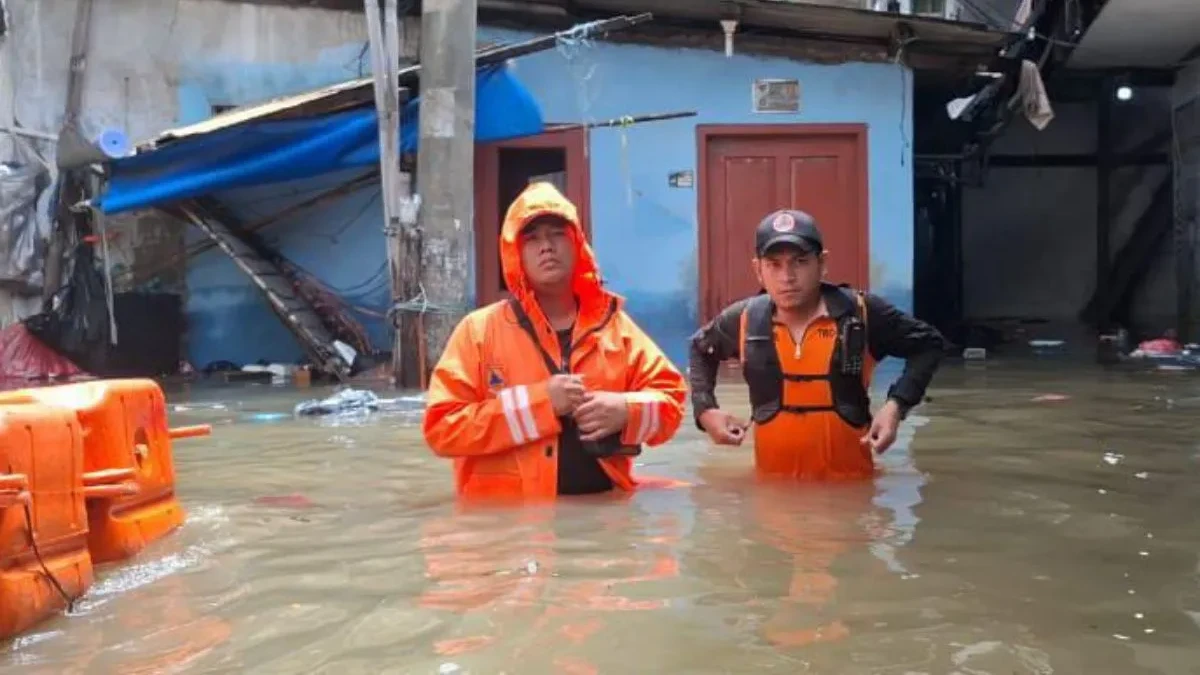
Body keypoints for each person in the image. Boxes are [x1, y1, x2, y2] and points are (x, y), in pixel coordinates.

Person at [422, 181, 687, 500]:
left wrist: (626, 410)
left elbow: (672, 403)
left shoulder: (616, 328)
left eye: (556, 234)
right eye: (532, 238)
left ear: (577, 243)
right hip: (509, 529)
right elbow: (442, 430)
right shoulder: (478, 332)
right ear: (515, 254)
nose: (546, 246)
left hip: (604, 521)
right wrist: (541, 404)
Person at [687, 209, 947, 480]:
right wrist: (705, 410)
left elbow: (928, 344)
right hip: (772, 498)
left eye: (800, 262)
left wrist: (896, 406)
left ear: (822, 264)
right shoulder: (744, 320)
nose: (787, 277)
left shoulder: (861, 313)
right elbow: (700, 349)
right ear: (758, 270)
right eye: (774, 264)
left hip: (852, 495)